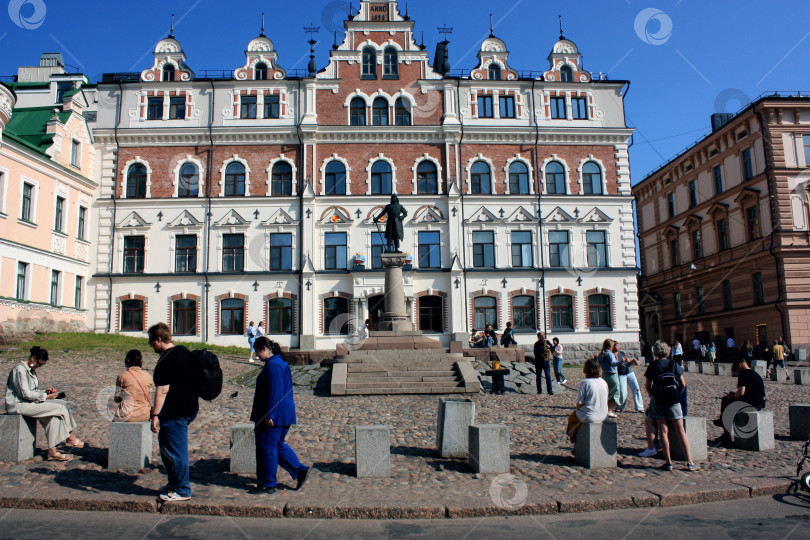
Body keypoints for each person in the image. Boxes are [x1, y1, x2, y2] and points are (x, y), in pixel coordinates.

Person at [249, 336, 310, 494]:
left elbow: (275, 391)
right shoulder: (278, 362)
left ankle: (268, 484)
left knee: (266, 448)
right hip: (283, 412)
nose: (257, 356)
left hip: (273, 414)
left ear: (264, 348)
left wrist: (271, 415)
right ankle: (300, 471)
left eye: (257, 352)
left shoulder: (274, 365)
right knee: (277, 446)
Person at [5, 346, 83, 461]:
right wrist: (45, 396)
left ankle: (52, 452)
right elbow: (25, 393)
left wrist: (45, 392)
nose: (39, 366)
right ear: (33, 358)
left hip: (28, 402)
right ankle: (70, 437)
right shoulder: (19, 369)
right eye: (40, 363)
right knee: (60, 406)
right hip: (18, 405)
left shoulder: (31, 370)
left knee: (54, 416)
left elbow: (32, 392)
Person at [149, 322, 199, 502]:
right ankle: (174, 483)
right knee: (167, 447)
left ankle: (182, 489)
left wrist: (155, 415)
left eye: (151, 341)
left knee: (176, 451)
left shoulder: (166, 360)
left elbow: (162, 391)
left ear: (159, 339)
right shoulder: (183, 352)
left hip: (175, 412)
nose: (150, 345)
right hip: (190, 407)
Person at [644, 340, 699, 471]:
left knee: (663, 431)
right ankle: (690, 462)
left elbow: (647, 385)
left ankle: (668, 462)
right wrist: (677, 395)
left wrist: (652, 394)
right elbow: (683, 384)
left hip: (658, 400)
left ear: (655, 351)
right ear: (668, 351)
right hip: (673, 400)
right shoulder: (673, 363)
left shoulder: (653, 365)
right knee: (681, 431)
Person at [711, 357, 766, 446]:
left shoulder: (744, 374)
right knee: (730, 402)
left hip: (750, 405)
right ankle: (723, 424)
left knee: (726, 400)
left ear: (739, 365)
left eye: (736, 368)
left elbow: (741, 392)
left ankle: (726, 432)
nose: (737, 370)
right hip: (759, 404)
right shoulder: (755, 373)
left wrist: (732, 396)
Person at [566, 359, 608, 442]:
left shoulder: (585, 382)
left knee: (572, 418)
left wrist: (578, 409)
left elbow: (579, 403)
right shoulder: (603, 382)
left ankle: (573, 439)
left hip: (590, 415)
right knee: (579, 419)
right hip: (604, 415)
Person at [113, 349, 154, 422]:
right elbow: (149, 397)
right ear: (140, 362)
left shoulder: (122, 376)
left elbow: (117, 398)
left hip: (126, 414)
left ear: (127, 361)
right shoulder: (148, 377)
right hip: (144, 414)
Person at [614, 341, 644, 413]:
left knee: (636, 389)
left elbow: (628, 362)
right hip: (621, 374)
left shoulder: (622, 353)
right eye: (617, 346)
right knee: (623, 392)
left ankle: (640, 407)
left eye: (618, 346)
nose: (618, 347)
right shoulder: (612, 355)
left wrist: (633, 361)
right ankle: (620, 406)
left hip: (629, 372)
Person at [598, 339, 620, 417]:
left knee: (607, 393)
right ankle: (609, 410)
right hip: (612, 375)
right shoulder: (610, 354)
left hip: (604, 375)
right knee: (614, 393)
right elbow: (613, 363)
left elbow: (599, 363)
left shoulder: (601, 354)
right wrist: (621, 362)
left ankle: (604, 409)